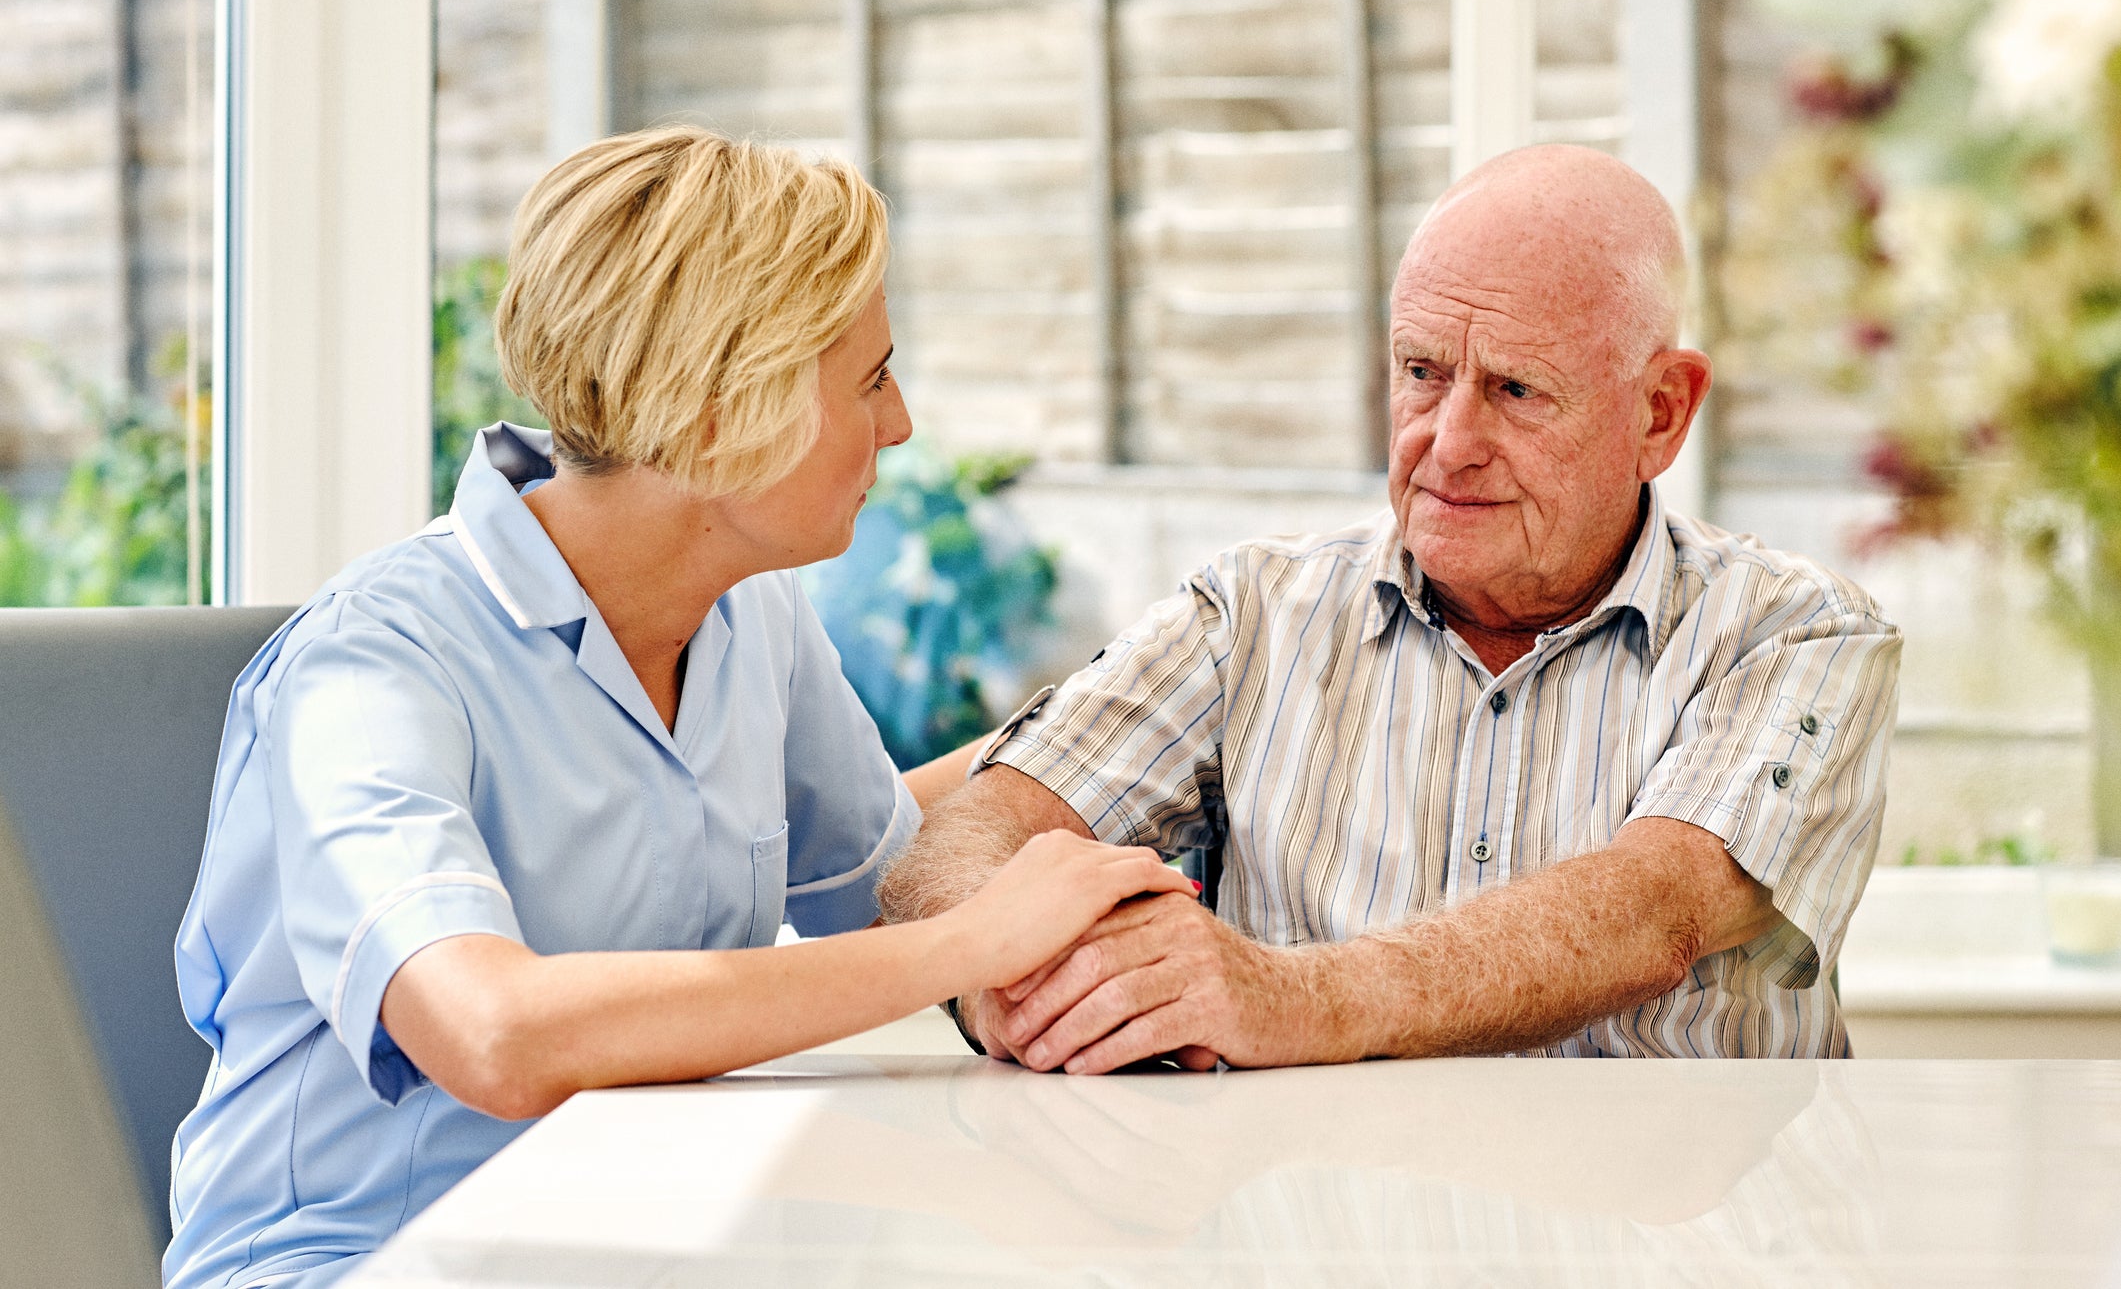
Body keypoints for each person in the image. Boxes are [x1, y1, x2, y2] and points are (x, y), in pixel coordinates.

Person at [163, 128, 1193, 1289]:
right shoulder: (374, 666)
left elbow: (887, 886)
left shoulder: (753, 624)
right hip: (364, 1262)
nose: (898, 423)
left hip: (648, 1240)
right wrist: (971, 942)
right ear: (719, 417)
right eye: (868, 378)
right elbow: (495, 1033)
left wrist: (1129, 720)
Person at [878, 143, 1903, 1071]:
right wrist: (1008, 985)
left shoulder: (1799, 636)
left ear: (1661, 411)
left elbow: (1659, 907)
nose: (1447, 441)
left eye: (1515, 391)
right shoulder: (1253, 614)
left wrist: (1287, 997)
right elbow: (980, 827)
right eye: (1421, 372)